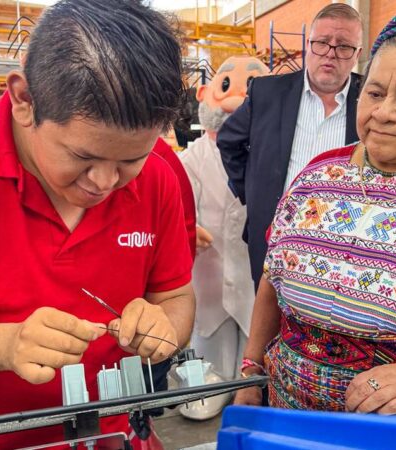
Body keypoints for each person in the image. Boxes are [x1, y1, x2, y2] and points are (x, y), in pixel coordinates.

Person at [0, 1, 195, 449]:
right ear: (24, 100)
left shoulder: (158, 179)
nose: (105, 183)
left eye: (130, 159)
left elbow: (175, 297)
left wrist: (162, 326)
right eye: (83, 158)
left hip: (112, 437)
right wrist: (4, 344)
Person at [235, 7, 396, 415]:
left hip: (387, 435)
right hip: (287, 418)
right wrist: (249, 371)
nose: (385, 112)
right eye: (374, 93)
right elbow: (272, 278)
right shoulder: (316, 177)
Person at [217, 3, 363, 289]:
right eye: (323, 43)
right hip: (275, 239)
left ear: (357, 54)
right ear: (309, 45)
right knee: (269, 325)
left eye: (344, 46)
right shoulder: (268, 92)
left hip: (343, 248)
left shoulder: (370, 98)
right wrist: (252, 191)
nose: (330, 54)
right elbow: (228, 141)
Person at [178, 56, 267, 419]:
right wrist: (186, 228)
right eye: (228, 86)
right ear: (205, 94)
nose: (239, 97)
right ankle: (206, 382)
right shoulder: (192, 158)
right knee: (209, 329)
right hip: (208, 269)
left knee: (254, 329)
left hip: (253, 271)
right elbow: (178, 206)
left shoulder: (269, 154)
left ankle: (248, 381)